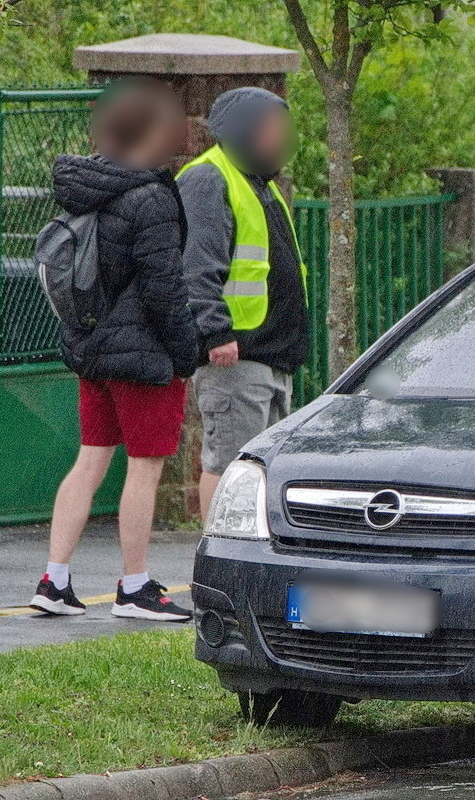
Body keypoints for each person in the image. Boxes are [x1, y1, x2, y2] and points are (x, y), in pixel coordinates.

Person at [30, 77, 199, 621]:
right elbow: (163, 286)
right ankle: (135, 587)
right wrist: (185, 352)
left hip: (92, 350)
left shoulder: (87, 184)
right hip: (143, 355)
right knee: (144, 468)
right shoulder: (149, 195)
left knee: (90, 460)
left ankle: (53, 581)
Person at [178, 87, 308, 519]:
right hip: (237, 356)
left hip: (269, 354)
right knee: (230, 465)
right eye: (269, 128)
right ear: (242, 131)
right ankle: (217, 554)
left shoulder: (258, 183)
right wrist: (215, 331)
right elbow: (196, 265)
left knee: (258, 470)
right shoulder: (209, 178)